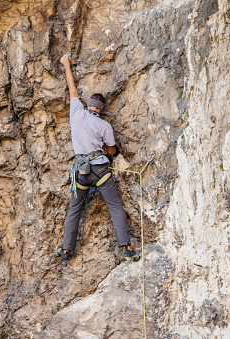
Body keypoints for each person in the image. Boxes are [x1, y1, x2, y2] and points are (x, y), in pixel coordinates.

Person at [56, 54, 138, 261]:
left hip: (81, 171)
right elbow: (111, 150)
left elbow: (71, 87)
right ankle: (126, 246)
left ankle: (66, 249)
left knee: (75, 209)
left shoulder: (76, 112)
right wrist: (112, 151)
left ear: (88, 104)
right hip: (100, 170)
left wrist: (67, 63)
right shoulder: (104, 125)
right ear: (100, 111)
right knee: (115, 207)